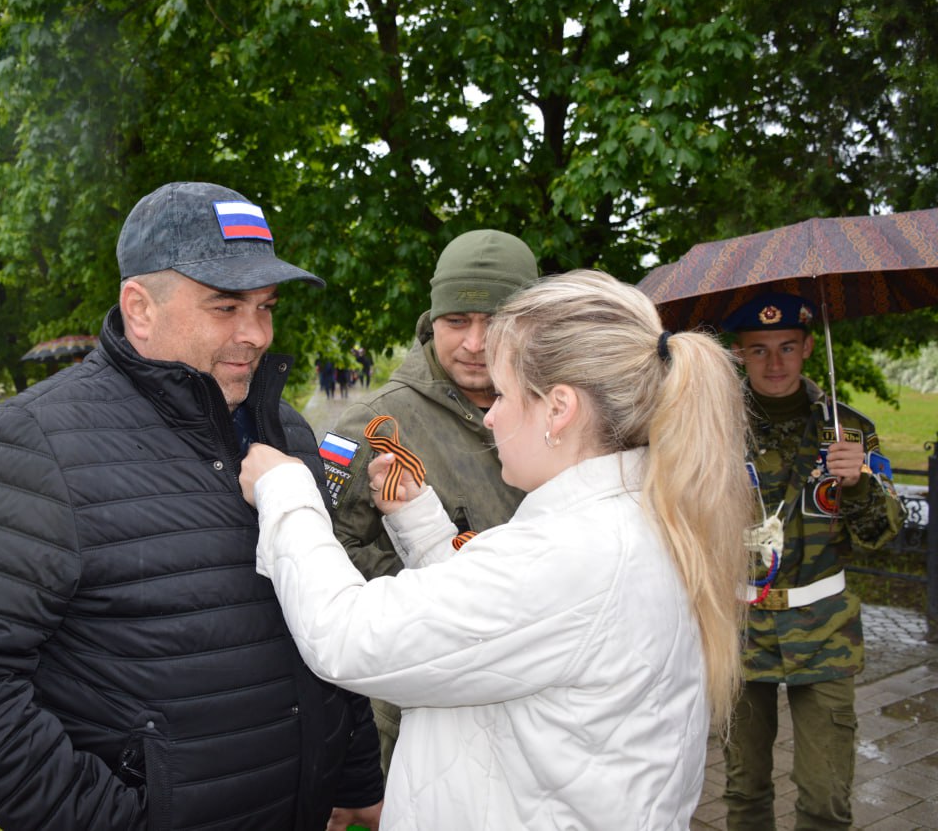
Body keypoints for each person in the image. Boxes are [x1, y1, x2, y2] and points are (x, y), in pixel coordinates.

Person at [0, 181, 384, 831]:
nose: (257, 334)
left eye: (266, 306)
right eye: (226, 306)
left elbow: (324, 608)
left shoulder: (286, 432)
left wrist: (351, 774)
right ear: (140, 308)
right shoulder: (33, 445)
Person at [240, 269, 752, 828]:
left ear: (559, 409)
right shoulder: (631, 517)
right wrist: (421, 525)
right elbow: (501, 625)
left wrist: (286, 493)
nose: (490, 414)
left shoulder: (571, 554)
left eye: (504, 394)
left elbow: (347, 636)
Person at [321, 229, 537, 772]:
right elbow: (326, 551)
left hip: (533, 705)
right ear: (432, 321)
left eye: (496, 323)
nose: (475, 343)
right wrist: (428, 591)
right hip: (419, 715)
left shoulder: (559, 409)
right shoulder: (375, 423)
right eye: (457, 321)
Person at [720, 292, 902, 831]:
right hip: (740, 629)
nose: (774, 363)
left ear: (806, 348)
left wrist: (858, 482)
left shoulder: (848, 431)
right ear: (739, 353)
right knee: (744, 792)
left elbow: (881, 536)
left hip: (825, 629)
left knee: (826, 798)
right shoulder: (714, 428)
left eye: (786, 347)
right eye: (759, 349)